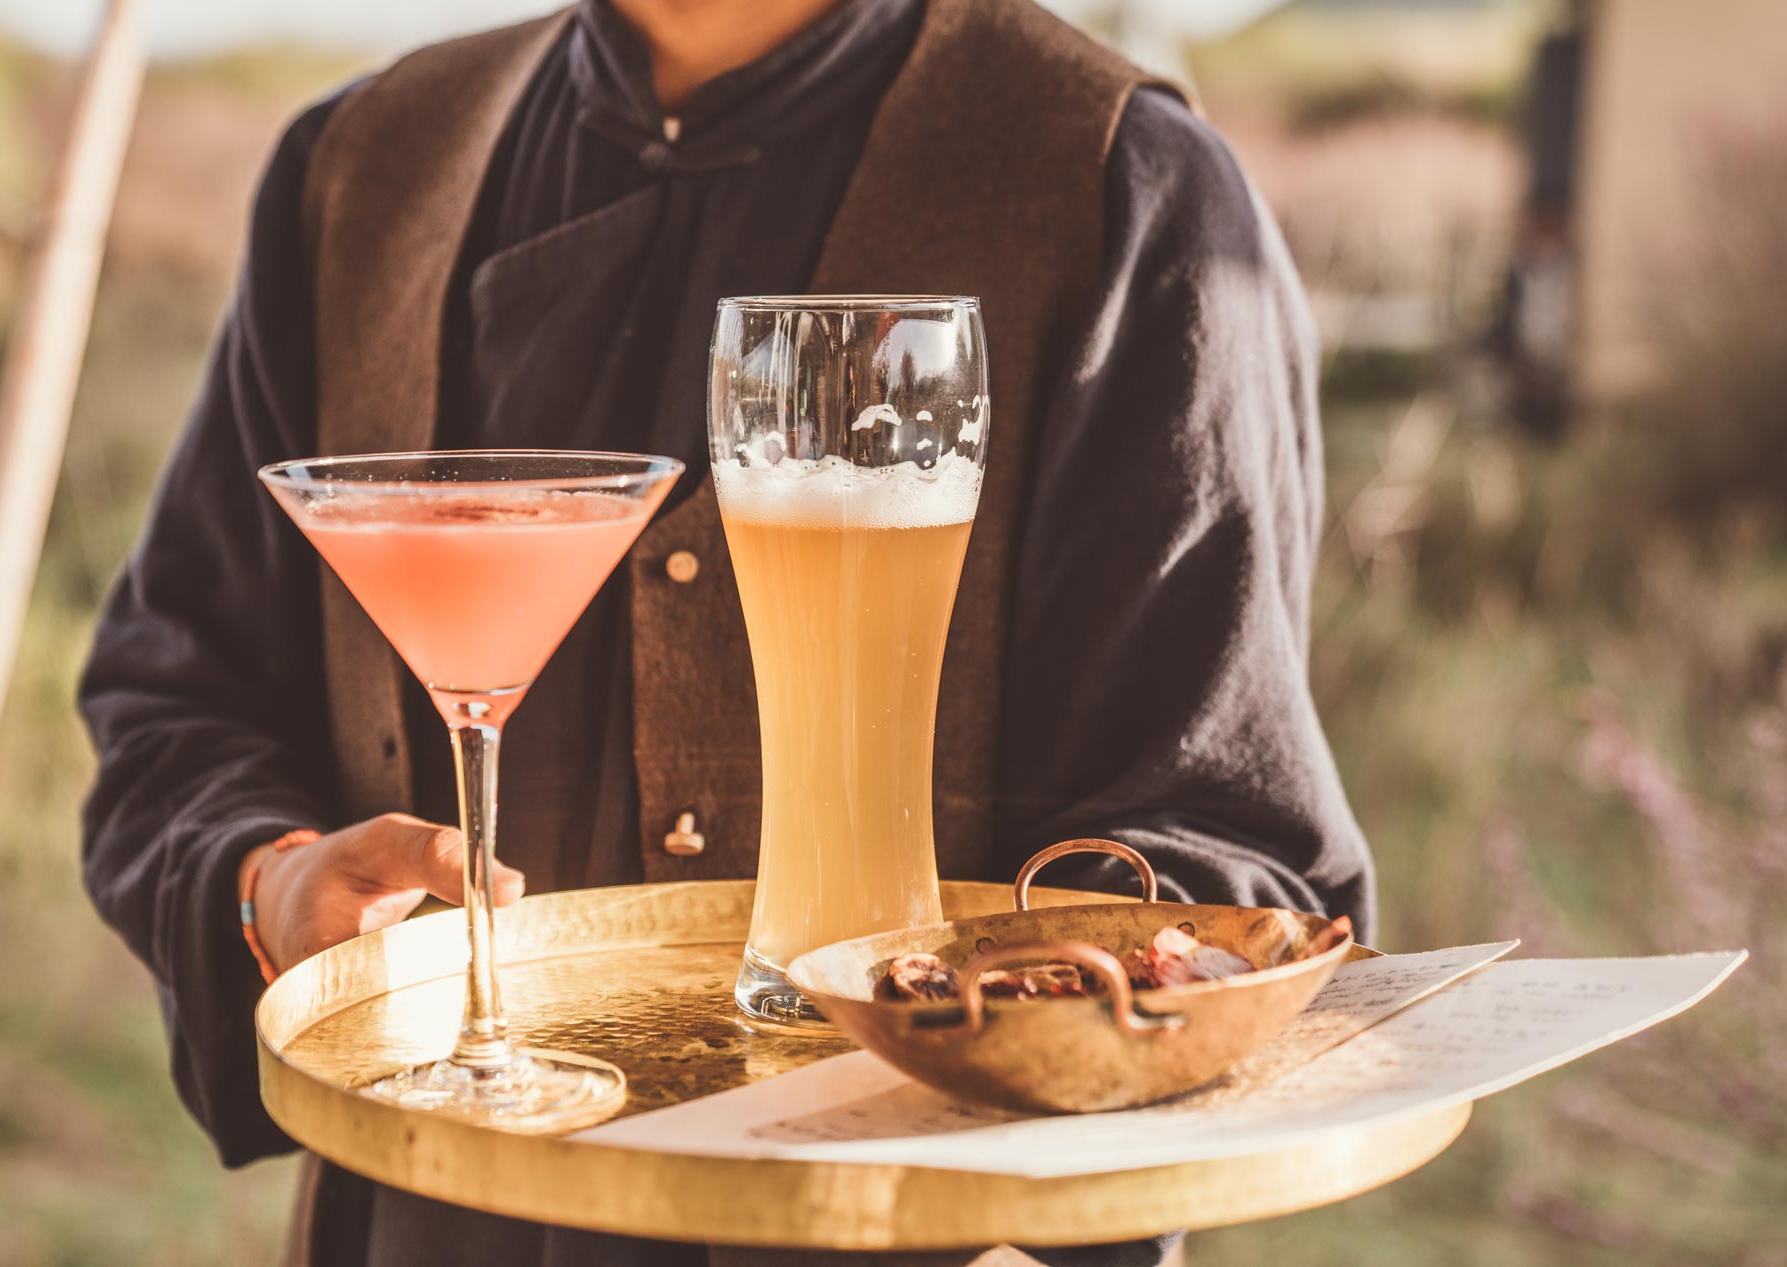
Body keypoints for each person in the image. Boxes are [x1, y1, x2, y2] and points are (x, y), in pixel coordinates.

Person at [79, 0, 1374, 1262]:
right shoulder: (359, 162)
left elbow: (1231, 863)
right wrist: (272, 882)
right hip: (424, 1228)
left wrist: (1028, 1146)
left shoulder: (1126, 184)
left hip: (907, 1232)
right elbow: (176, 702)